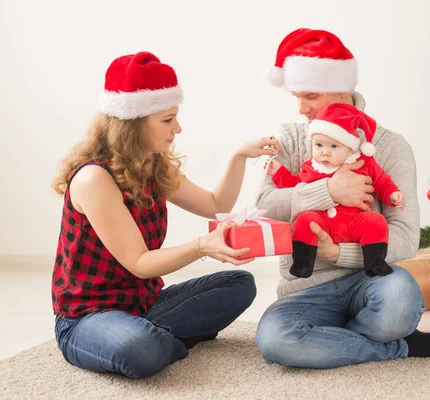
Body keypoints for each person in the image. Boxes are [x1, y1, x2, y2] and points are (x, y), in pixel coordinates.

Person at [51, 51, 279, 378]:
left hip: (144, 306)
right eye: (167, 120)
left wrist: (239, 156)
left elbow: (215, 204)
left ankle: (156, 335)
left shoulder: (152, 166)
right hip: (87, 317)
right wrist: (202, 246)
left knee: (239, 284)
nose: (178, 128)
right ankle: (157, 339)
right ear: (133, 123)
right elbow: (139, 264)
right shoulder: (94, 179)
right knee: (139, 349)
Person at [255, 28, 430, 368]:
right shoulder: (292, 138)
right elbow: (264, 206)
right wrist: (326, 191)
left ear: (341, 89)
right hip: (306, 290)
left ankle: (343, 339)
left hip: (373, 280)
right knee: (275, 340)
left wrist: (336, 253)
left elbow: (404, 237)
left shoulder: (390, 146)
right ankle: (397, 347)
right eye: (296, 96)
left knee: (399, 301)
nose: (301, 108)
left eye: (310, 95)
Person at [266, 102, 405, 279]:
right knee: (305, 220)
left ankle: (374, 261)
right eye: (319, 146)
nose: (325, 153)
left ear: (349, 148)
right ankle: (302, 262)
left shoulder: (362, 163)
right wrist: (278, 172)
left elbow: (381, 180)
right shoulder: (312, 167)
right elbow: (294, 183)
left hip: (354, 221)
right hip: (322, 222)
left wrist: (392, 194)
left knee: (376, 221)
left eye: (333, 147)